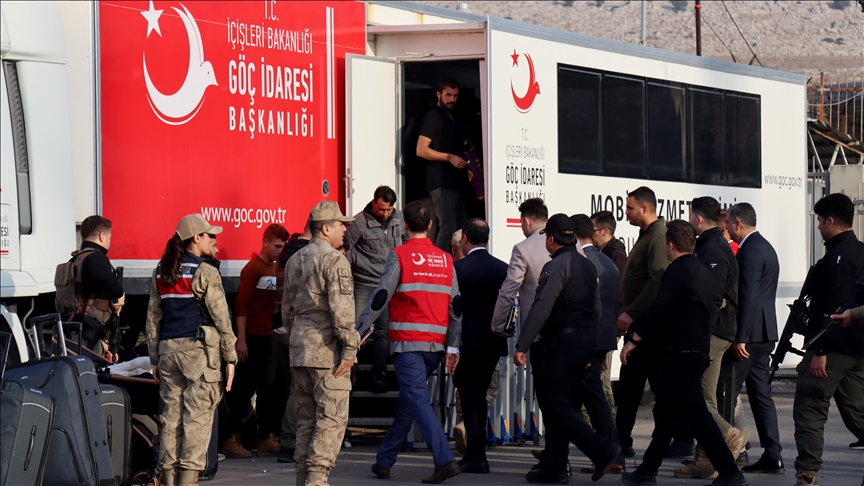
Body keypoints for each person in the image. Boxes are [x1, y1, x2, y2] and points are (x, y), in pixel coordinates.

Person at [619, 221, 748, 486]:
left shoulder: (677, 270)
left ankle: (730, 473)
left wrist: (634, 338)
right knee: (665, 416)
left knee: (698, 417)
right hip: (696, 350)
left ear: (670, 244)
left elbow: (660, 307)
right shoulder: (702, 270)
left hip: (679, 355)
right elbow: (713, 308)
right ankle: (646, 472)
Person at [359, 200, 463, 484]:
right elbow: (456, 305)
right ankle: (384, 461)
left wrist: (358, 330)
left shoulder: (399, 255)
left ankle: (444, 460)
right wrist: (453, 346)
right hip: (436, 345)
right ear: (431, 225)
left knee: (417, 400)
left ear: (404, 225)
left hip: (407, 344)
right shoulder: (445, 258)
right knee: (408, 402)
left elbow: (381, 296)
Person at [513, 214, 619, 484]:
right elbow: (596, 310)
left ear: (550, 238)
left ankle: (600, 448)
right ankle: (556, 466)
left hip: (560, 343)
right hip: (583, 341)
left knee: (554, 404)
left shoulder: (556, 265)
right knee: (565, 403)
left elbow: (542, 307)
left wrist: (522, 344)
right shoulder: (586, 265)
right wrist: (593, 348)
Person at [145, 214, 238, 486]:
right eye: (210, 235)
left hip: (168, 353)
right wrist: (230, 357)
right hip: (198, 354)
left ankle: (168, 480)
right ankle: (188, 482)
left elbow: (153, 318)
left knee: (171, 420)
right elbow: (222, 319)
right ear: (196, 238)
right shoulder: (205, 272)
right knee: (196, 420)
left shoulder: (161, 271)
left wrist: (154, 357)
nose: (214, 240)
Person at [282, 201, 361, 486]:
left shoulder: (294, 260)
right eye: (341, 224)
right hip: (327, 352)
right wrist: (350, 349)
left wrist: (298, 337)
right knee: (331, 420)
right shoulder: (335, 260)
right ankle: (317, 481)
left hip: (299, 348)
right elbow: (342, 311)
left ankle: (303, 479)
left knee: (306, 423)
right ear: (326, 228)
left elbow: (287, 310)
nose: (345, 229)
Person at [792, 193, 864, 486]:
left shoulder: (837, 256)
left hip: (832, 347)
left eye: (820, 221)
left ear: (831, 221)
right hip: (856, 349)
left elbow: (834, 307)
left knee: (810, 407)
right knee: (858, 412)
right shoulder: (860, 250)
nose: (819, 226)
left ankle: (807, 474)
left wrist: (819, 349)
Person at [675, 197, 748, 479]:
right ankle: (706, 461)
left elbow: (711, 296)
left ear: (698, 218)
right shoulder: (710, 245)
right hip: (714, 331)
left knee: (698, 397)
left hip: (712, 333)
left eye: (691, 216)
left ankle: (729, 435)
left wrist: (700, 334)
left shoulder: (714, 249)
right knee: (704, 396)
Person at [725, 202, 784, 474]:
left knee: (727, 392)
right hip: (765, 333)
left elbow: (747, 297)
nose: (726, 227)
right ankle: (773, 456)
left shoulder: (749, 251)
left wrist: (741, 338)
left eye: (728, 222)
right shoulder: (766, 247)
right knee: (761, 396)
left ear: (738, 223)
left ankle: (727, 455)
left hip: (750, 336)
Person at [223, 224, 289, 458]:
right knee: (242, 391)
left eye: (282, 248)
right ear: (265, 242)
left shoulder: (274, 268)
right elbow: (241, 305)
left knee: (268, 388)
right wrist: (241, 340)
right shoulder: (253, 269)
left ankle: (265, 437)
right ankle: (231, 438)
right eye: (276, 246)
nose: (279, 252)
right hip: (251, 337)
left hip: (268, 336)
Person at [615, 187, 670, 460]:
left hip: (648, 328)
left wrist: (631, 313)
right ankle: (621, 441)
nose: (626, 212)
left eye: (630, 208)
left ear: (646, 209)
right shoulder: (648, 235)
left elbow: (657, 280)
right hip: (640, 325)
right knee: (629, 390)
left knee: (651, 390)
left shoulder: (658, 237)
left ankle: (665, 443)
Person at [452, 219, 508, 474]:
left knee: (469, 397)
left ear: (464, 238)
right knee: (480, 397)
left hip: (466, 342)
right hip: (493, 342)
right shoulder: (502, 268)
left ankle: (477, 456)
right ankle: (476, 453)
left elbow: (453, 308)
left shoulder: (459, 268)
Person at [571, 213, 622, 475]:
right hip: (601, 339)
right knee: (584, 397)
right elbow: (614, 306)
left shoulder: (580, 262)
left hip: (584, 340)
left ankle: (610, 450)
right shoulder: (607, 262)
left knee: (590, 398)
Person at [344, 185, 405, 393]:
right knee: (356, 330)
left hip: (387, 285)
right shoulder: (359, 222)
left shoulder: (398, 218)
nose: (385, 213)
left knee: (382, 333)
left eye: (389, 209)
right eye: (381, 209)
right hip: (363, 283)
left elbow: (405, 244)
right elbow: (344, 248)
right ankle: (350, 376)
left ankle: (379, 376)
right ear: (373, 203)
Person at [416, 77, 469, 252]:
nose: (452, 99)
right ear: (438, 94)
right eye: (448, 95)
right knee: (448, 227)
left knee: (460, 227)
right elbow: (421, 150)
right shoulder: (433, 117)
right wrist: (449, 157)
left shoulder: (452, 117)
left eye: (455, 95)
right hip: (440, 182)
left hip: (456, 183)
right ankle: (438, 264)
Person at [273, 223, 311, 463]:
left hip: (281, 328)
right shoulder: (309, 258)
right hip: (299, 330)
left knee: (291, 388)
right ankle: (290, 443)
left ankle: (286, 440)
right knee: (300, 389)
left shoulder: (287, 256)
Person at [64, 215, 126, 360]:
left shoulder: (75, 260)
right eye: (110, 237)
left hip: (74, 330)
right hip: (85, 336)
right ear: (102, 236)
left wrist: (101, 341)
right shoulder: (96, 258)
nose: (110, 241)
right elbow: (101, 276)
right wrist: (120, 292)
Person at [590, 210, 628, 279]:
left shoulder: (617, 255)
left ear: (605, 232)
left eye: (592, 230)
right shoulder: (596, 250)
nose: (589, 234)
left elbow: (620, 284)